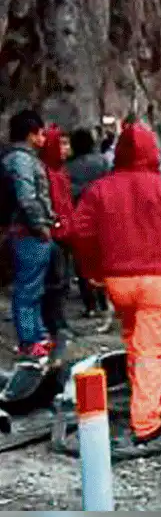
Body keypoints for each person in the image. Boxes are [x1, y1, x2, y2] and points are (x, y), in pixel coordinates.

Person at [71, 122, 161, 449]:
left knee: (133, 339)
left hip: (117, 279)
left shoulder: (100, 189)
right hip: (158, 277)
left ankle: (137, 400)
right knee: (150, 351)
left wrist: (93, 271)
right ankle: (145, 423)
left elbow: (80, 232)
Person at [1, 110, 56, 361]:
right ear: (31, 134)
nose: (44, 138)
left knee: (34, 288)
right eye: (41, 133)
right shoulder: (21, 160)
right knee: (27, 289)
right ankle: (28, 340)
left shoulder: (22, 159)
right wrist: (41, 225)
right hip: (27, 232)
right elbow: (27, 197)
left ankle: (36, 335)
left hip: (29, 231)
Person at [66, 128, 111, 317]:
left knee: (82, 262)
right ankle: (104, 300)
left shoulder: (68, 167)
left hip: (79, 218)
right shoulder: (102, 162)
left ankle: (90, 304)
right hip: (102, 217)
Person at [39, 126, 75, 346]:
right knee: (55, 281)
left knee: (62, 282)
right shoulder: (46, 172)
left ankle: (59, 323)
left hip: (65, 232)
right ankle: (54, 325)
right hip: (55, 233)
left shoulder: (61, 171)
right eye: (62, 143)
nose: (66, 149)